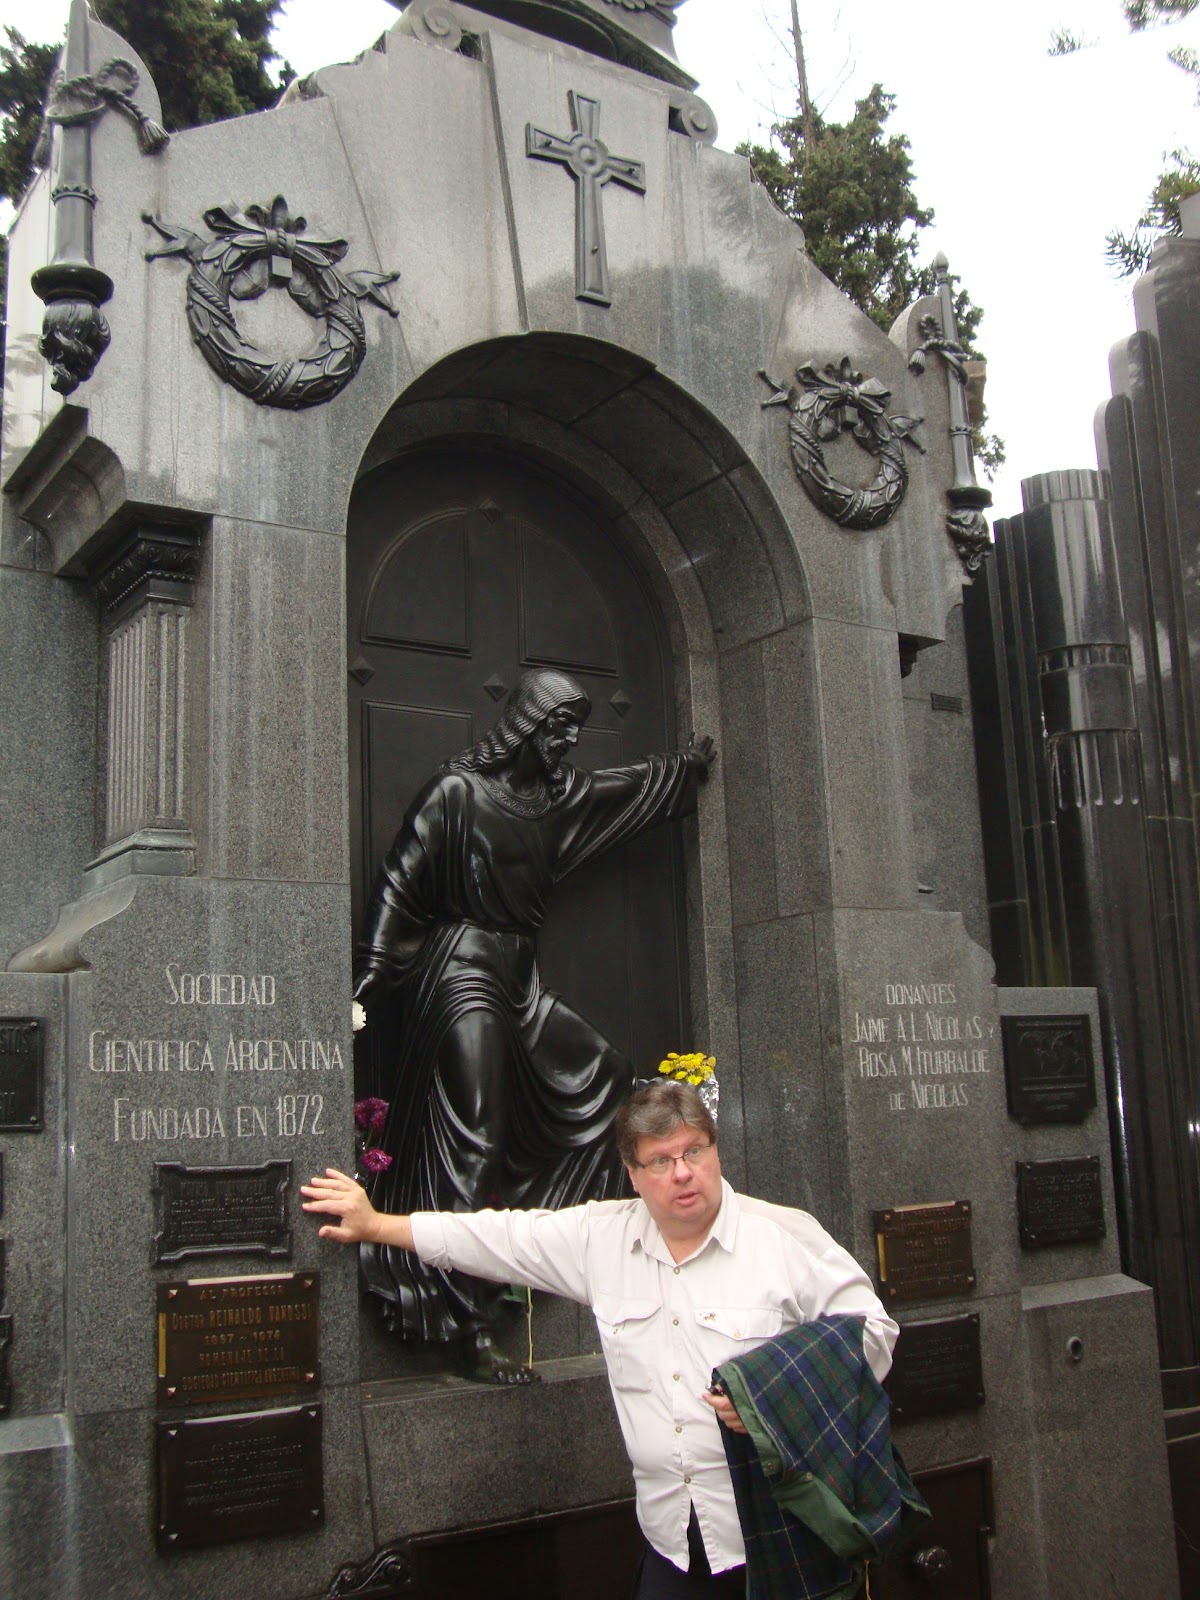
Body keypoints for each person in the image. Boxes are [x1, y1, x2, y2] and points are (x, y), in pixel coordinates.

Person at [303, 1079, 898, 1596]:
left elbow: (872, 1333)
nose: (683, 1172)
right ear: (634, 1175)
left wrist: (769, 1397)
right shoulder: (601, 1239)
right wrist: (378, 1225)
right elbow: (500, 1239)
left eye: (695, 1150)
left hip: (782, 1529)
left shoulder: (785, 1236)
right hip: (675, 1541)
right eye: (661, 1160)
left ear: (716, 1151)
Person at [352, 667, 714, 1379]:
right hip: (460, 971)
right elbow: (400, 881)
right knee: (475, 1130)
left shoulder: (559, 798)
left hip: (521, 978)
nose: (567, 742)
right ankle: (464, 1321)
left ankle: (541, 1244)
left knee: (607, 1075)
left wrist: (681, 772)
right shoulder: (457, 793)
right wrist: (371, 970)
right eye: (556, 728)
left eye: (574, 731)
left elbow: (621, 789)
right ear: (523, 724)